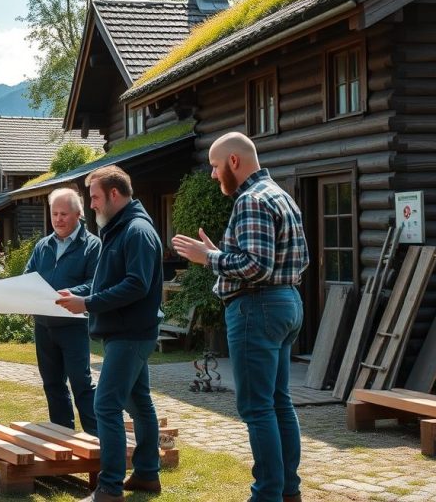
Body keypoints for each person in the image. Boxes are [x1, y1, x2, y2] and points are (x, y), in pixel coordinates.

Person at [172, 132, 308, 502]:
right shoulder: (281, 196)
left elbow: (256, 266)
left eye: (216, 166)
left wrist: (209, 258)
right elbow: (282, 260)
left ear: (234, 162)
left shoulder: (250, 200)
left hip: (256, 308)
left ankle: (267, 494)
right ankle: (288, 491)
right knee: (279, 402)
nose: (214, 175)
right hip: (286, 303)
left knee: (257, 406)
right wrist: (221, 254)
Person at [56, 166, 162, 502]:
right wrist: (77, 294)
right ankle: (146, 475)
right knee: (139, 403)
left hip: (130, 335)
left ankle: (109, 488)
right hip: (127, 333)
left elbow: (136, 284)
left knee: (105, 405)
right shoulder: (118, 229)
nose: (92, 205)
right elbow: (108, 281)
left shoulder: (136, 231)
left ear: (114, 195)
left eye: (96, 198)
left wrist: (86, 303)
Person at [25, 188, 100, 435]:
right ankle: (62, 437)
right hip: (44, 326)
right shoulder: (43, 246)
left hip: (73, 325)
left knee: (81, 384)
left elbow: (96, 283)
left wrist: (68, 291)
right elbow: (28, 277)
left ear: (78, 214)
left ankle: (97, 440)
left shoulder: (92, 245)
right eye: (54, 213)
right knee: (52, 384)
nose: (58, 219)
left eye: (64, 214)